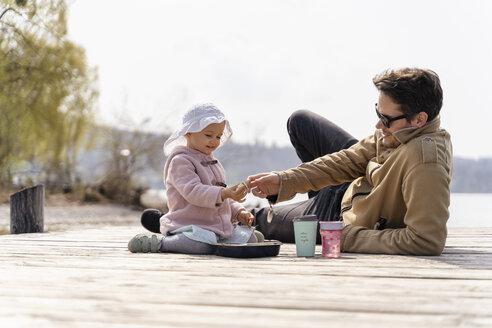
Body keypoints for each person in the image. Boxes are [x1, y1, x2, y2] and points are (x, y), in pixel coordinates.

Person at [247, 67, 453, 255]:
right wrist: (284, 181)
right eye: (378, 113)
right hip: (353, 190)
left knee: (254, 219)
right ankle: (312, 202)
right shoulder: (397, 132)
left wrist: (342, 236)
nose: (378, 124)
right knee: (300, 121)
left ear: (419, 119)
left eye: (387, 119)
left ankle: (309, 211)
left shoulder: (426, 162)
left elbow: (425, 241)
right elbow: (347, 160)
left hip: (339, 219)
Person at [128, 103, 263, 254]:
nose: (214, 141)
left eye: (218, 137)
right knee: (199, 246)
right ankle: (161, 243)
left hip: (216, 228)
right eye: (208, 135)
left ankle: (226, 238)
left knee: (252, 240)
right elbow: (194, 192)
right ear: (189, 132)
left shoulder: (214, 162)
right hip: (191, 224)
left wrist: (239, 212)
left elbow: (223, 198)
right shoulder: (180, 161)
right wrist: (224, 193)